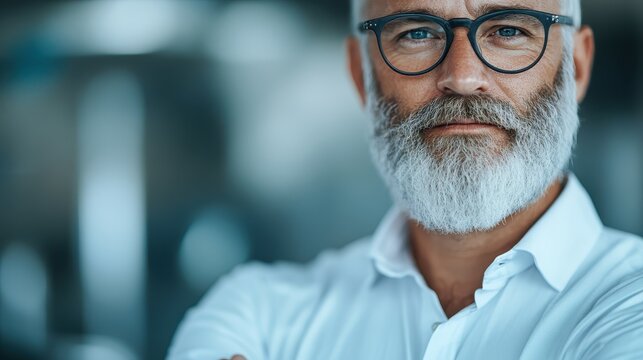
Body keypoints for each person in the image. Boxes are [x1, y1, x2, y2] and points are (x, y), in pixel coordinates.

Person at [167, 0, 643, 359]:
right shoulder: (255, 313)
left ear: (575, 67)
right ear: (361, 76)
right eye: (417, 34)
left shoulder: (630, 304)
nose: (462, 75)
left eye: (507, 29)